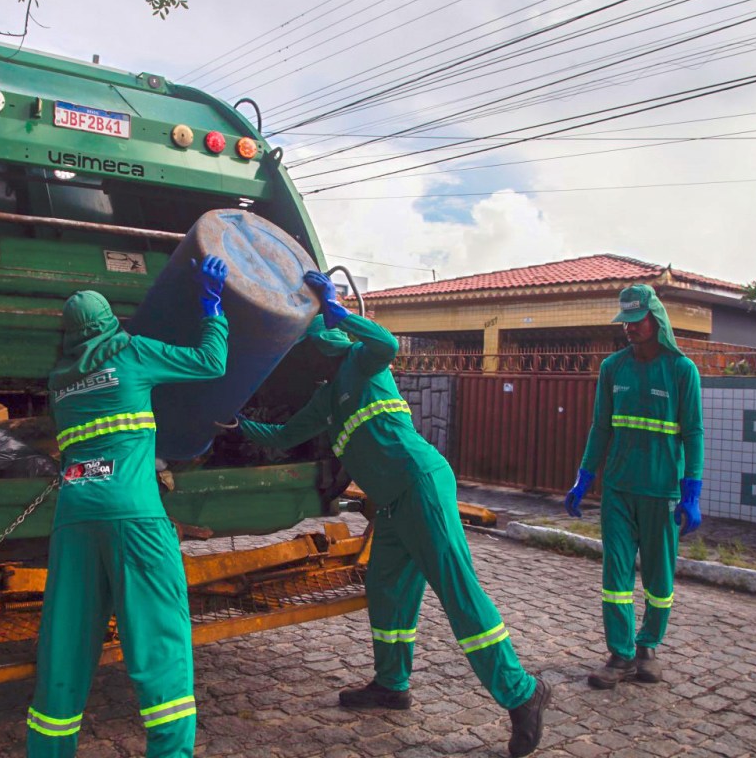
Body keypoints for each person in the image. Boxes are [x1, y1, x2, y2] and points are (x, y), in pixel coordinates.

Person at [228, 270, 551, 758]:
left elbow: (386, 343)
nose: (315, 357)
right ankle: (391, 685)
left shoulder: (365, 362)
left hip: (420, 484)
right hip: (394, 504)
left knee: (458, 591)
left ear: (331, 343)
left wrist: (340, 312)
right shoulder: (325, 399)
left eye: (318, 348)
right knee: (386, 591)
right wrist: (235, 423)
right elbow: (283, 435)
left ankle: (522, 692)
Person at [27, 256, 230, 758]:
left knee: (65, 646)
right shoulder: (133, 353)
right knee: (159, 642)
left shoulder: (59, 381)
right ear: (108, 322)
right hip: (134, 517)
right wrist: (213, 307)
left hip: (74, 519)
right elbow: (212, 362)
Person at [565, 284, 704, 689]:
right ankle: (621, 654)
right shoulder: (613, 368)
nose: (628, 328)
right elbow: (600, 427)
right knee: (616, 575)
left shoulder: (682, 371)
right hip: (619, 492)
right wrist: (583, 477)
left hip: (661, 493)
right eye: (624, 321)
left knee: (659, 579)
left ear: (656, 320)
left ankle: (648, 647)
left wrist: (691, 492)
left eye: (636, 320)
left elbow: (693, 433)